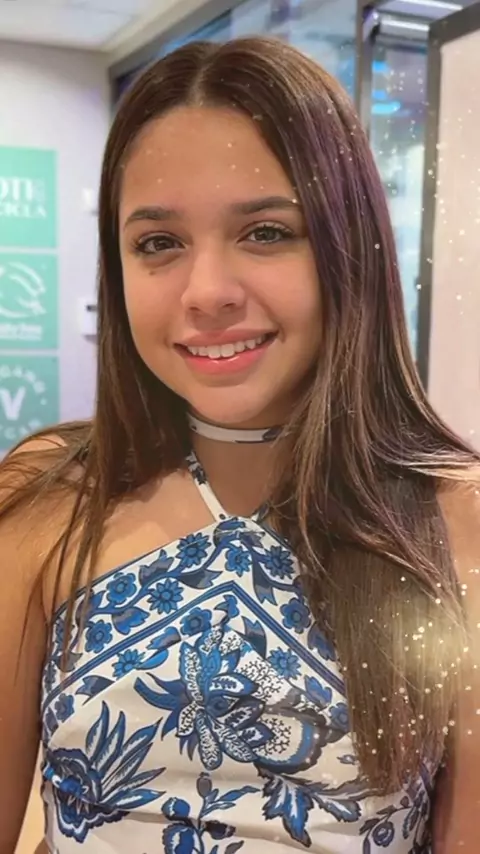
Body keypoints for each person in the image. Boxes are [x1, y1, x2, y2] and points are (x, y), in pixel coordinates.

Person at [0, 36, 478, 854]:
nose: (208, 292)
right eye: (158, 243)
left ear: (348, 247)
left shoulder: (457, 522)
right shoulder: (50, 496)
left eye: (264, 232)